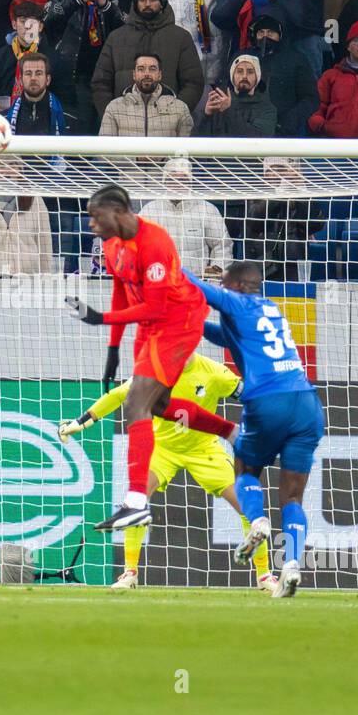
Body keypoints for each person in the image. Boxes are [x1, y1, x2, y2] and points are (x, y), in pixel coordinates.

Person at [64, 184, 237, 533]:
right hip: (149, 325)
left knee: (134, 403)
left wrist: (101, 319)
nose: (91, 226)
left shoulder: (155, 243)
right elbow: (119, 291)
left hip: (180, 320)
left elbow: (158, 306)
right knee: (157, 406)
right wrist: (112, 348)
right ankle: (229, 430)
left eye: (96, 218)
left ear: (118, 212)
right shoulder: (112, 247)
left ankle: (136, 502)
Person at [59, 351, 277, 591]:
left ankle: (264, 576)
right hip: (161, 449)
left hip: (203, 449)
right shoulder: (156, 372)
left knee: (246, 505)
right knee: (135, 503)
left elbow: (251, 397)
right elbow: (118, 395)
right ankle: (129, 573)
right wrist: (80, 422)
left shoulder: (215, 373)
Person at [183, 260, 322, 598]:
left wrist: (165, 261)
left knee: (245, 468)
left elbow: (199, 290)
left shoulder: (237, 300)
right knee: (292, 497)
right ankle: (290, 564)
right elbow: (226, 336)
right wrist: (193, 325)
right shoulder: (270, 308)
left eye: (224, 284)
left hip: (267, 400)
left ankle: (257, 521)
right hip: (306, 403)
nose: (222, 289)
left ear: (238, 285)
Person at [91, 0, 204, 116]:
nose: (148, 4)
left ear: (162, 2)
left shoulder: (181, 37)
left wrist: (175, 115)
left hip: (168, 126)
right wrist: (113, 116)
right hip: (124, 125)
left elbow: (193, 83)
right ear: (135, 3)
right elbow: (100, 83)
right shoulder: (116, 38)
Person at [43, 0, 122, 133]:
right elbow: (47, 17)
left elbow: (129, 24)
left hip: (111, 78)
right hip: (74, 79)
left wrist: (105, 4)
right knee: (80, 132)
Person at [308, 20, 358, 139]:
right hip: (333, 142)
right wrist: (322, 126)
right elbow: (316, 105)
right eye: (356, 40)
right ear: (348, 46)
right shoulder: (331, 75)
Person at [139, 179, 233, 274]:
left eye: (183, 179)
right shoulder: (149, 210)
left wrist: (213, 280)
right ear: (164, 181)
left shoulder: (207, 209)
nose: (178, 184)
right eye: (172, 180)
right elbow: (136, 247)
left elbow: (223, 246)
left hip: (196, 282)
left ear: (190, 181)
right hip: (161, 283)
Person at [99, 52, 193, 137]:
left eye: (152, 69)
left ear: (160, 75)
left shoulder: (180, 108)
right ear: (134, 74)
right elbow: (103, 153)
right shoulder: (114, 108)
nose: (147, 74)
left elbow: (188, 151)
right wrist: (135, 157)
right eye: (141, 69)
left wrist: (163, 156)